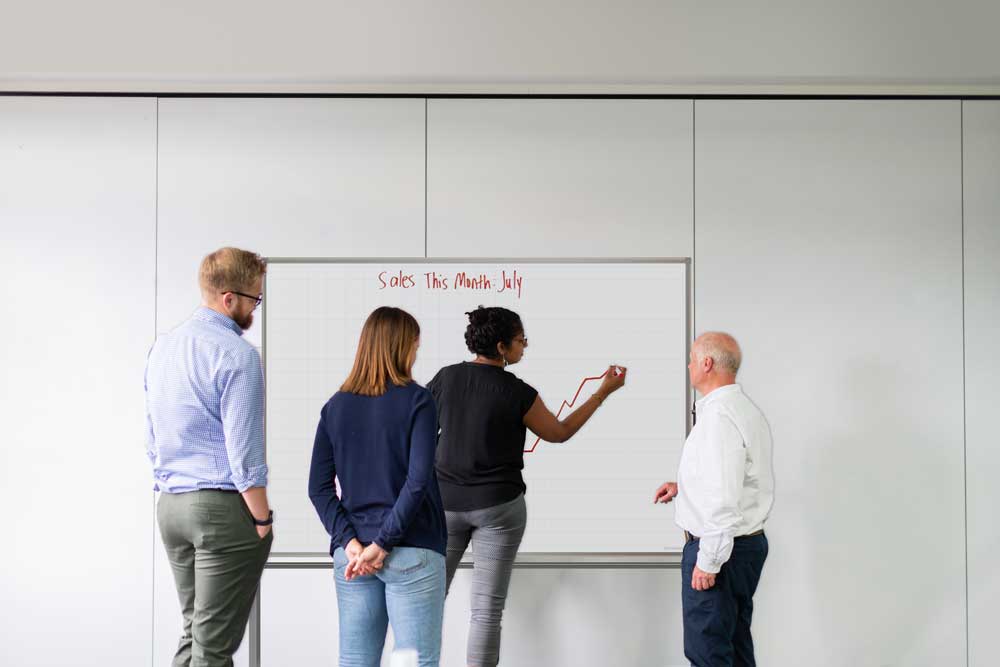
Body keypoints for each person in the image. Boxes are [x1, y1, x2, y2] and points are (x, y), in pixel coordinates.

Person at [427, 306, 627, 667]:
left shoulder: (447, 378)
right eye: (521, 340)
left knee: (427, 599)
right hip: (498, 507)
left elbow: (420, 428)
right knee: (486, 611)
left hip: (444, 505)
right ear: (501, 347)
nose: (525, 346)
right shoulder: (518, 392)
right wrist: (602, 393)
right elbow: (559, 433)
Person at [145, 247, 274, 667]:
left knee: (196, 633)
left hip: (171, 507)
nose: (255, 307)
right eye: (254, 298)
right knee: (213, 648)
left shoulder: (163, 348)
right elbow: (244, 453)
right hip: (219, 510)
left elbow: (152, 435)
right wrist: (262, 520)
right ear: (228, 298)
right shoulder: (237, 354)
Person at [308, 307, 447, 667]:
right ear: (402, 347)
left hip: (353, 557)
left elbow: (318, 489)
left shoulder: (335, 406)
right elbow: (417, 481)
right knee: (414, 662)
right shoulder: (419, 400)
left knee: (355, 661)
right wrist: (382, 544)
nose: (416, 353)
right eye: (415, 345)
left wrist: (352, 543)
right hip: (411, 550)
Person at [653, 332, 774, 667]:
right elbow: (735, 477)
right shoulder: (742, 410)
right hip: (744, 546)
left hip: (721, 550)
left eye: (692, 359)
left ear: (707, 364)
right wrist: (684, 486)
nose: (689, 366)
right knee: (735, 648)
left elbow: (723, 499)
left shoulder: (719, 418)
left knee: (708, 654)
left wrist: (709, 561)